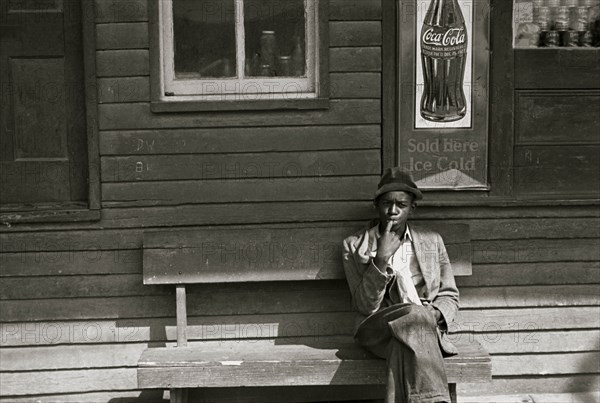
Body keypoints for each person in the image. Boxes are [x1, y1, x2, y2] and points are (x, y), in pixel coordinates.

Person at [341, 167, 459, 403]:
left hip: (422, 329)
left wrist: (432, 314)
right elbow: (365, 306)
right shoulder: (353, 245)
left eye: (401, 205)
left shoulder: (432, 242)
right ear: (377, 205)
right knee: (413, 315)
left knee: (404, 340)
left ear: (412, 208)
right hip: (378, 329)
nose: (393, 211)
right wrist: (381, 259)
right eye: (386, 203)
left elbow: (449, 295)